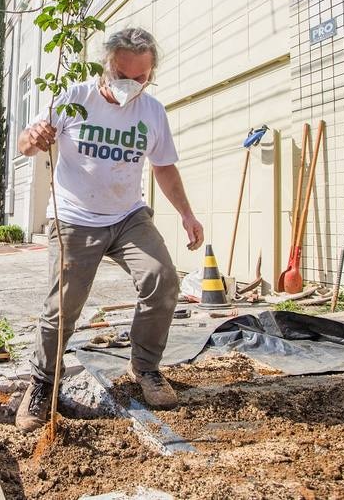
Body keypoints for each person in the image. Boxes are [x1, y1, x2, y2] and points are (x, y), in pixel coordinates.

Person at [14, 27, 204, 432]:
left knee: (162, 279)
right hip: (75, 218)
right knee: (62, 308)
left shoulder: (151, 111)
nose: (130, 86)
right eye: (122, 75)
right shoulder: (72, 98)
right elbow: (26, 144)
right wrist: (33, 136)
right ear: (106, 68)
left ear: (150, 75)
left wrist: (187, 213)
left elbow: (164, 166)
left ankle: (146, 368)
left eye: (140, 79)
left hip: (127, 215)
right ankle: (42, 383)